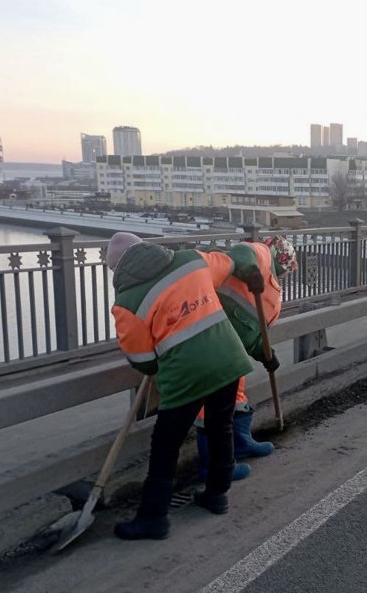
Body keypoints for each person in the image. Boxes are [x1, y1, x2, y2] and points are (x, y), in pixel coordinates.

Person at [106, 231, 263, 541]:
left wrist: (156, 363)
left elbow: (142, 359)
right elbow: (232, 261)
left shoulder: (126, 303)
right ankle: (217, 495)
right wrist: (251, 272)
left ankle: (153, 518)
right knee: (221, 427)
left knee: (166, 443)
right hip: (227, 358)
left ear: (117, 269)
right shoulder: (192, 260)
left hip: (186, 375)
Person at [194, 235, 299, 483]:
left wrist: (266, 354)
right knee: (209, 405)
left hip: (233, 351)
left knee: (237, 397)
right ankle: (212, 466)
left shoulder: (273, 291)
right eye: (288, 266)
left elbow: (253, 331)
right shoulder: (262, 255)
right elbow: (241, 252)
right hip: (211, 335)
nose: (287, 272)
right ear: (282, 259)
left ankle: (241, 445)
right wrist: (250, 271)